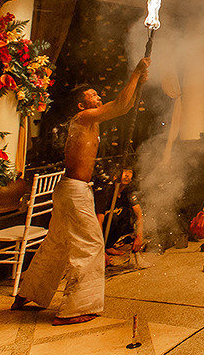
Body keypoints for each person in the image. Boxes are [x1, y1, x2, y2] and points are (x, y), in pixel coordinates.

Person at [12, 57, 150, 325]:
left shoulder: (92, 120)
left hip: (71, 190)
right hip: (74, 191)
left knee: (56, 244)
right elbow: (120, 105)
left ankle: (27, 294)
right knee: (91, 245)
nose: (98, 96)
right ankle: (75, 309)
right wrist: (134, 73)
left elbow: (124, 105)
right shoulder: (83, 118)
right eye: (92, 95)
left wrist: (138, 83)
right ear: (81, 104)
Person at [96, 167, 144, 264]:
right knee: (113, 217)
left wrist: (139, 237)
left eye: (130, 172)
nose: (127, 175)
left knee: (126, 215)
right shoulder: (105, 193)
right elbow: (98, 223)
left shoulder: (127, 192)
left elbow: (139, 214)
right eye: (124, 171)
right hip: (97, 232)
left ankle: (109, 245)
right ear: (115, 176)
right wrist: (100, 251)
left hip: (112, 230)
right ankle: (104, 248)